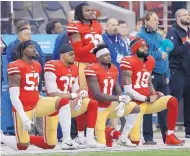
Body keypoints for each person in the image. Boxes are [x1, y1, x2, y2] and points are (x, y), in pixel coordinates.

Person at [0, 40, 81, 150]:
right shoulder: (15, 65)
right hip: (23, 107)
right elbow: (14, 96)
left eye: (34, 47)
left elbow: (35, 87)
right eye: (30, 47)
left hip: (37, 102)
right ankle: (2, 137)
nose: (34, 49)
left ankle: (67, 140)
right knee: (22, 146)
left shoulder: (37, 65)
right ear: (23, 51)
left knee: (62, 101)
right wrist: (24, 118)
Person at [119, 37, 184, 146]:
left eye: (146, 46)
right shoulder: (128, 61)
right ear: (135, 49)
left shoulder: (150, 60)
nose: (146, 49)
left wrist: (154, 93)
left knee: (172, 100)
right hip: (135, 105)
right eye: (142, 46)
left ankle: (170, 135)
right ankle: (113, 133)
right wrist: (147, 98)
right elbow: (128, 91)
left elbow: (148, 81)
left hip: (147, 102)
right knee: (135, 142)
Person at [44, 44, 105, 148]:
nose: (73, 56)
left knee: (91, 103)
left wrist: (80, 95)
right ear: (62, 55)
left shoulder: (74, 67)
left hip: (68, 104)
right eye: (70, 54)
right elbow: (52, 93)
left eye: (73, 54)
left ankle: (88, 138)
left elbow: (76, 89)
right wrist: (74, 95)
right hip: (54, 106)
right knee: (49, 144)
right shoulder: (52, 65)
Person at [84, 44, 140, 147]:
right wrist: (118, 98)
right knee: (102, 144)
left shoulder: (113, 68)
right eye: (105, 55)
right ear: (99, 58)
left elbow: (117, 88)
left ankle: (122, 138)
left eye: (109, 54)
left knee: (135, 108)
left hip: (110, 105)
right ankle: (110, 132)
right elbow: (97, 95)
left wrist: (122, 100)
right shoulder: (91, 69)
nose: (109, 57)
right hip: (97, 108)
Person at [67, 3, 103, 144]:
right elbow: (78, 51)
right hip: (82, 65)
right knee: (82, 99)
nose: (90, 12)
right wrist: (93, 43)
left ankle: (91, 134)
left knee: (96, 99)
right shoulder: (75, 26)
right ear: (80, 13)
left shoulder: (97, 25)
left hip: (96, 64)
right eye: (87, 10)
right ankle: (81, 135)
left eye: (91, 9)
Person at [137, 11, 169, 145]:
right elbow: (141, 53)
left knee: (164, 106)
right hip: (151, 75)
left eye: (157, 19)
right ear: (146, 21)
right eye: (155, 20)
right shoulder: (140, 36)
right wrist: (157, 54)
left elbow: (166, 55)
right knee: (149, 106)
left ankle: (167, 136)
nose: (158, 22)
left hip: (162, 75)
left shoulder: (158, 35)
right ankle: (148, 137)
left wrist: (167, 73)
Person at [166, 8, 190, 138]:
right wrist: (187, 45)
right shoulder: (173, 32)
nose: (188, 16)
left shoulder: (189, 31)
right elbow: (172, 51)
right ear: (177, 18)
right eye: (184, 15)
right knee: (174, 101)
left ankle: (189, 131)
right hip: (177, 72)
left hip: (189, 72)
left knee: (189, 103)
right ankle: (170, 130)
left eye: (188, 14)